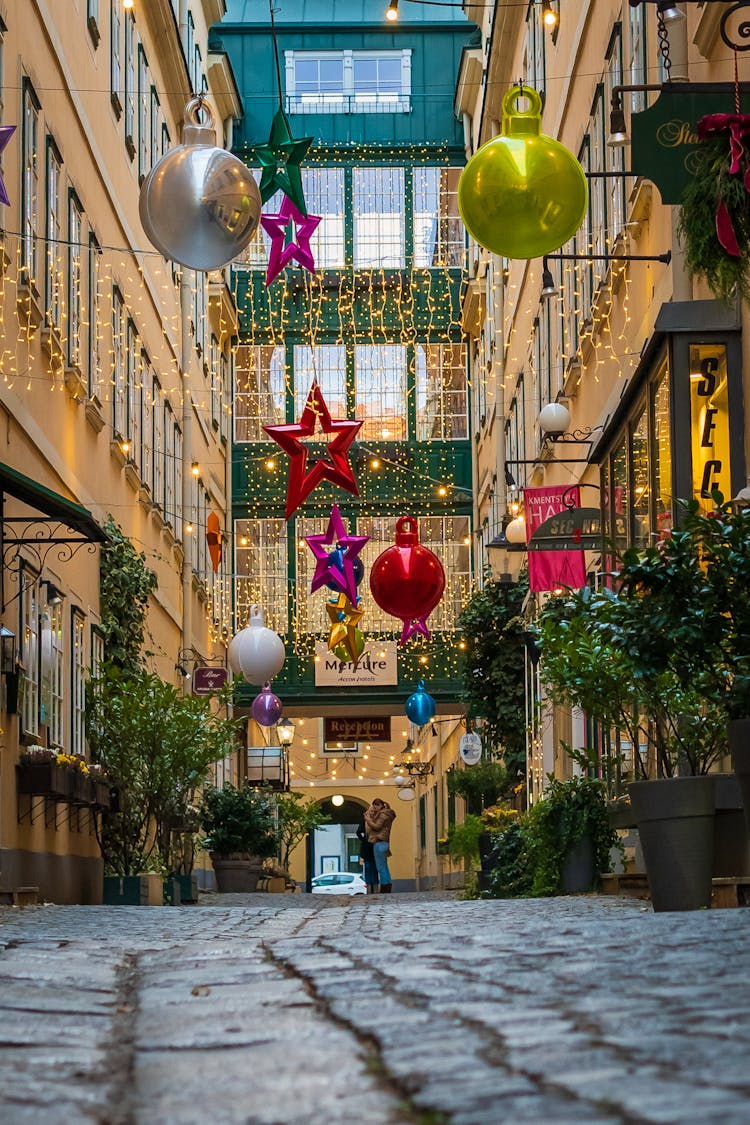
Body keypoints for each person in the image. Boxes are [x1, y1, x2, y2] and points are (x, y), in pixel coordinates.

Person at [364, 797, 396, 893]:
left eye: (376, 805)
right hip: (385, 842)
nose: (374, 807)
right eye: (374, 805)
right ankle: (387, 885)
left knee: (381, 867)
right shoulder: (388, 814)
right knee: (384, 866)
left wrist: (368, 820)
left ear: (381, 805)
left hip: (379, 842)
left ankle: (385, 887)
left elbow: (377, 827)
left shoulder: (383, 815)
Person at [356, 815, 379, 894]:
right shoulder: (368, 822)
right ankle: (372, 888)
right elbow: (358, 832)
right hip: (370, 848)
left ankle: (372, 888)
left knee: (372, 869)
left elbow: (358, 832)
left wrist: (364, 840)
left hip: (371, 848)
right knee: (371, 869)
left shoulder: (370, 822)